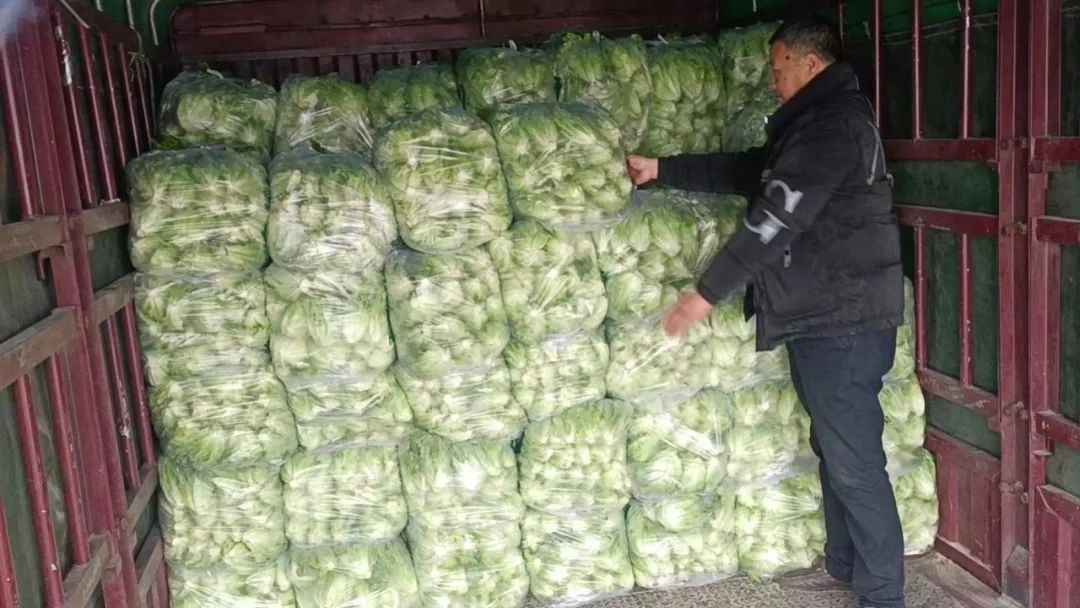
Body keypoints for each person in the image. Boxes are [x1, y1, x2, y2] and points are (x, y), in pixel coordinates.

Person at [626, 16, 907, 608]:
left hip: (845, 323)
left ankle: (884, 596)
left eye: (779, 69)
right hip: (827, 317)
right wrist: (662, 169)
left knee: (855, 463)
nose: (773, 81)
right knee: (836, 449)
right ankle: (845, 567)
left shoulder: (832, 126)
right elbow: (751, 172)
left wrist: (707, 293)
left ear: (810, 64)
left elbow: (775, 217)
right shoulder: (813, 125)